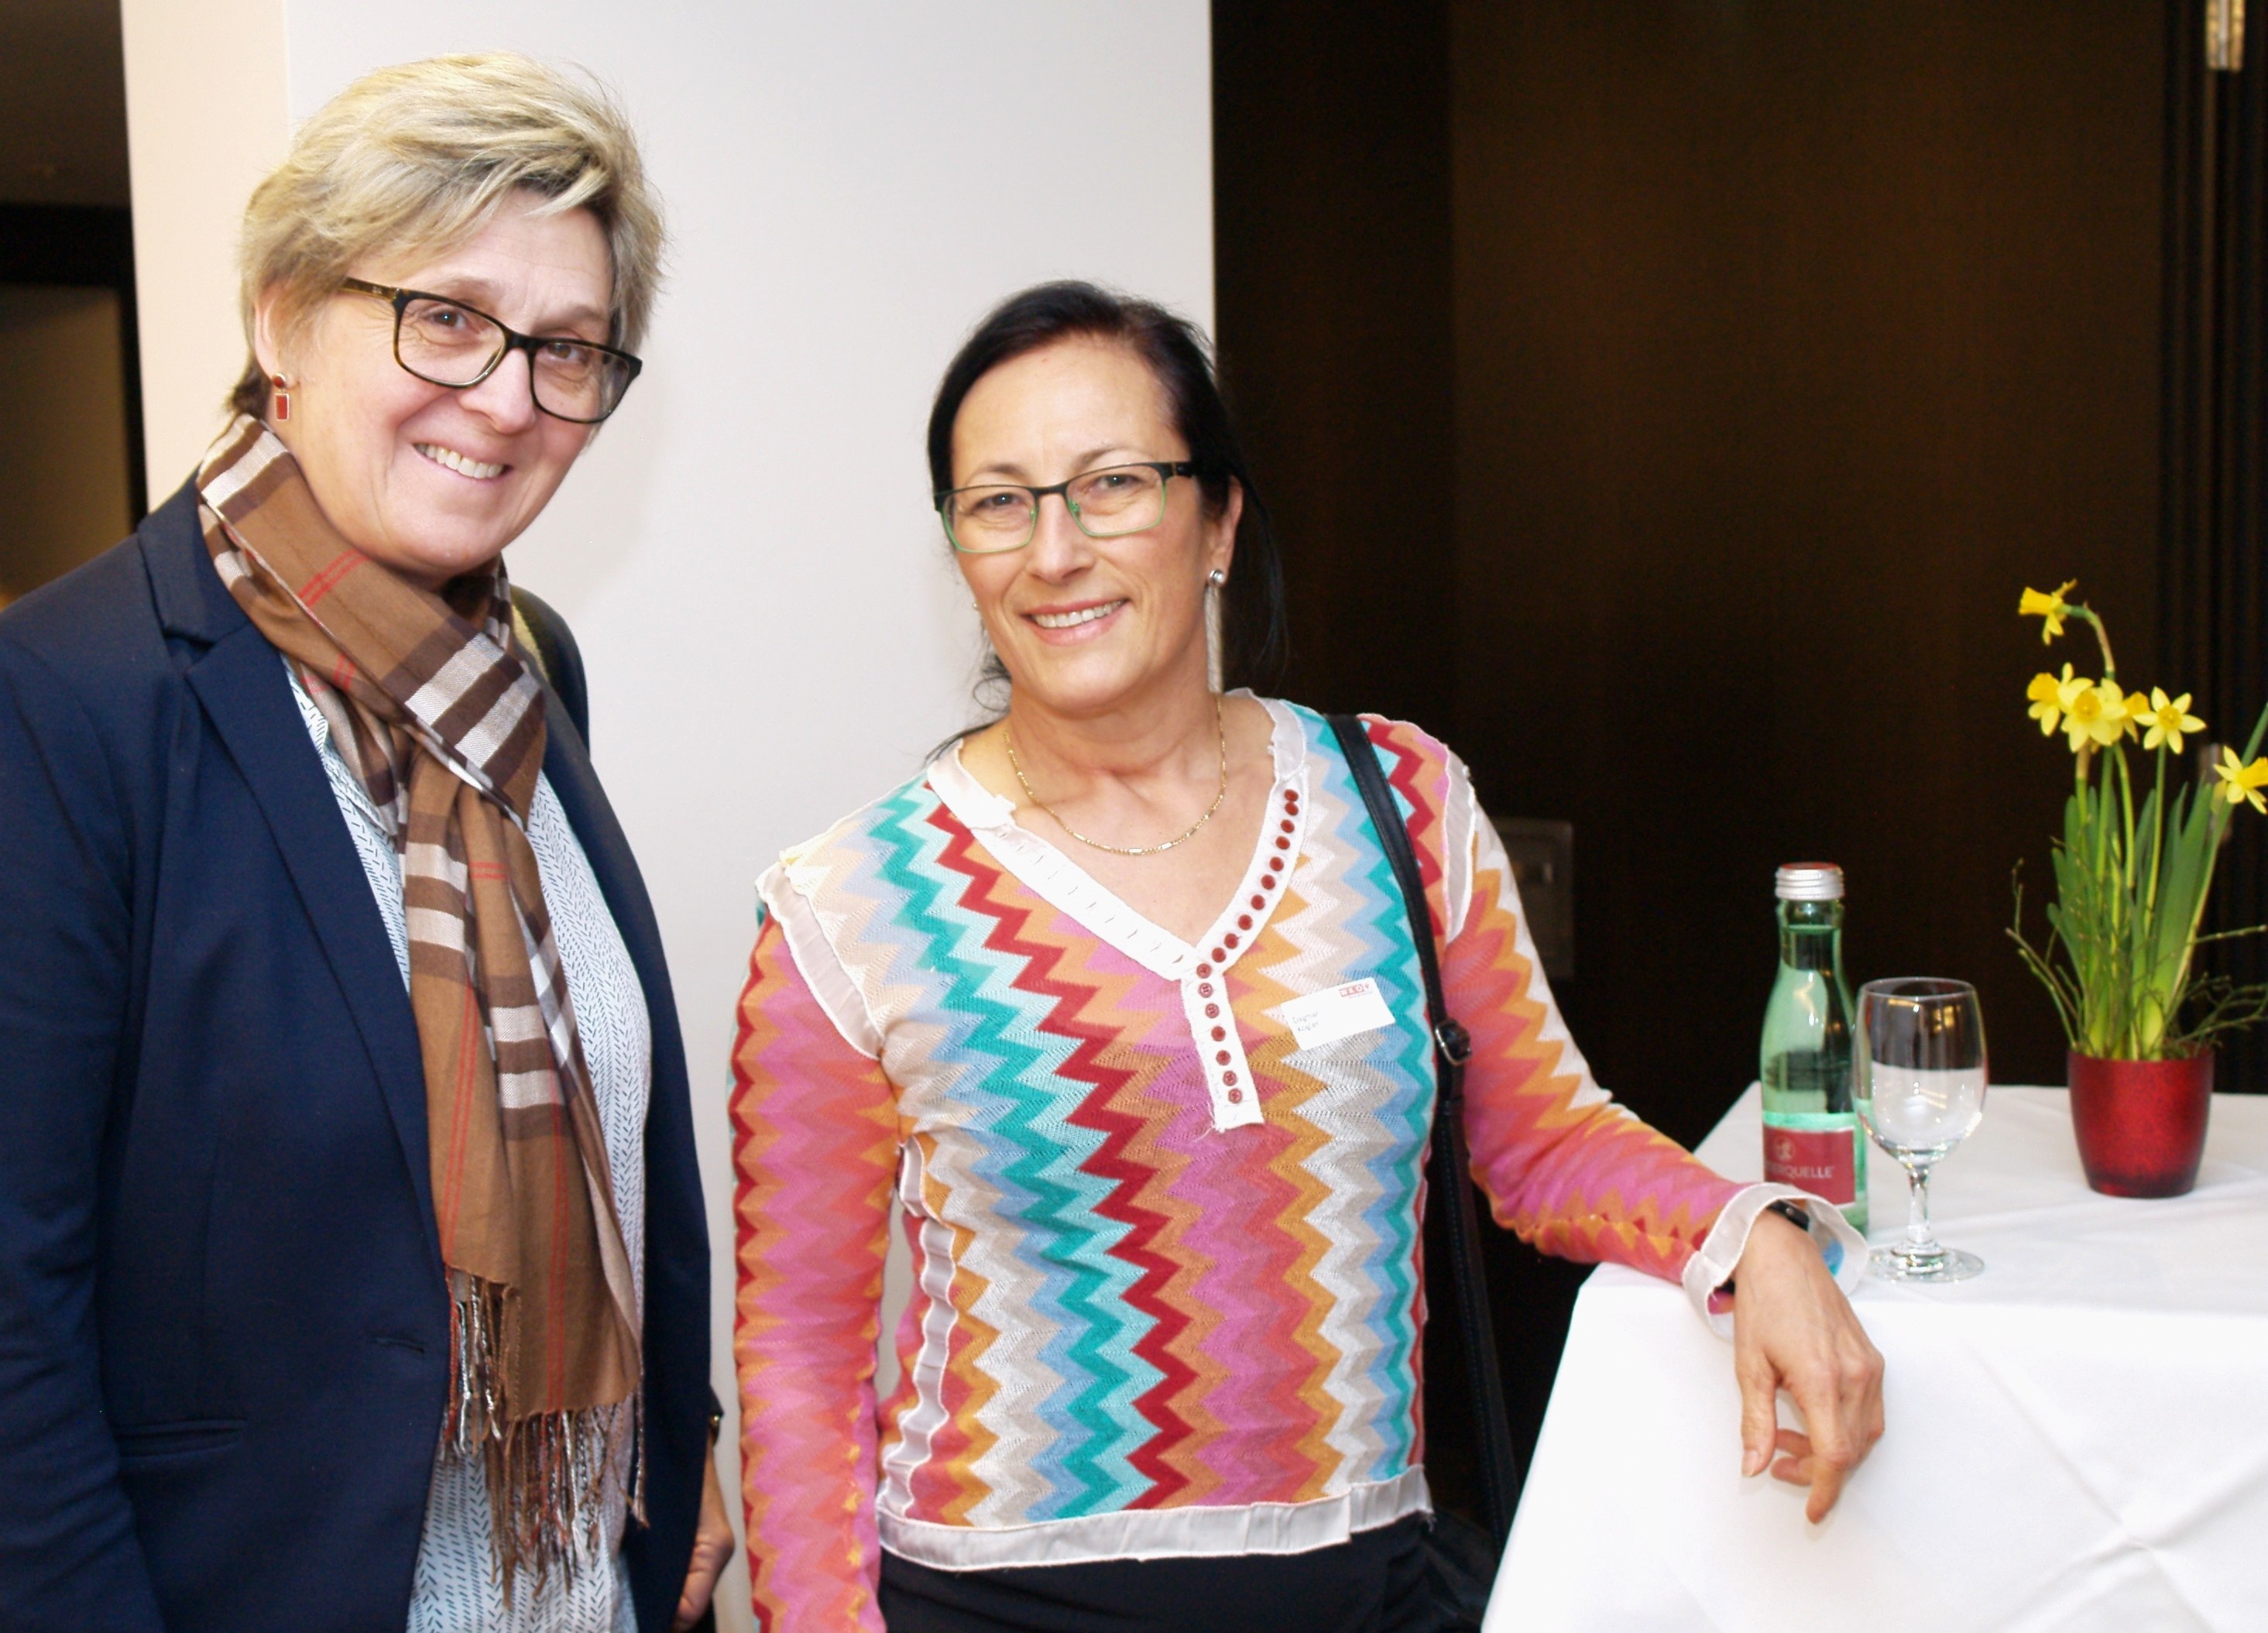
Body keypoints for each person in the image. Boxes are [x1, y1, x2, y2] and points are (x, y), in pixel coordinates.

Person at [728, 281, 1884, 1632]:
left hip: (1365, 1585)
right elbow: (797, 1357)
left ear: (1217, 520)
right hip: (996, 1602)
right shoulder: (850, 906)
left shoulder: (1397, 801)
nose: (1054, 550)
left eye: (1111, 485)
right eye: (999, 503)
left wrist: (1753, 1236)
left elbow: (1541, 1141)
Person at [0, 54, 730, 1633]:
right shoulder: (63, 701)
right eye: (447, 318)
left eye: (566, 348)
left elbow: (605, 1150)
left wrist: (681, 1439)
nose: (508, 400)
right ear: (281, 317)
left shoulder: (522, 670)